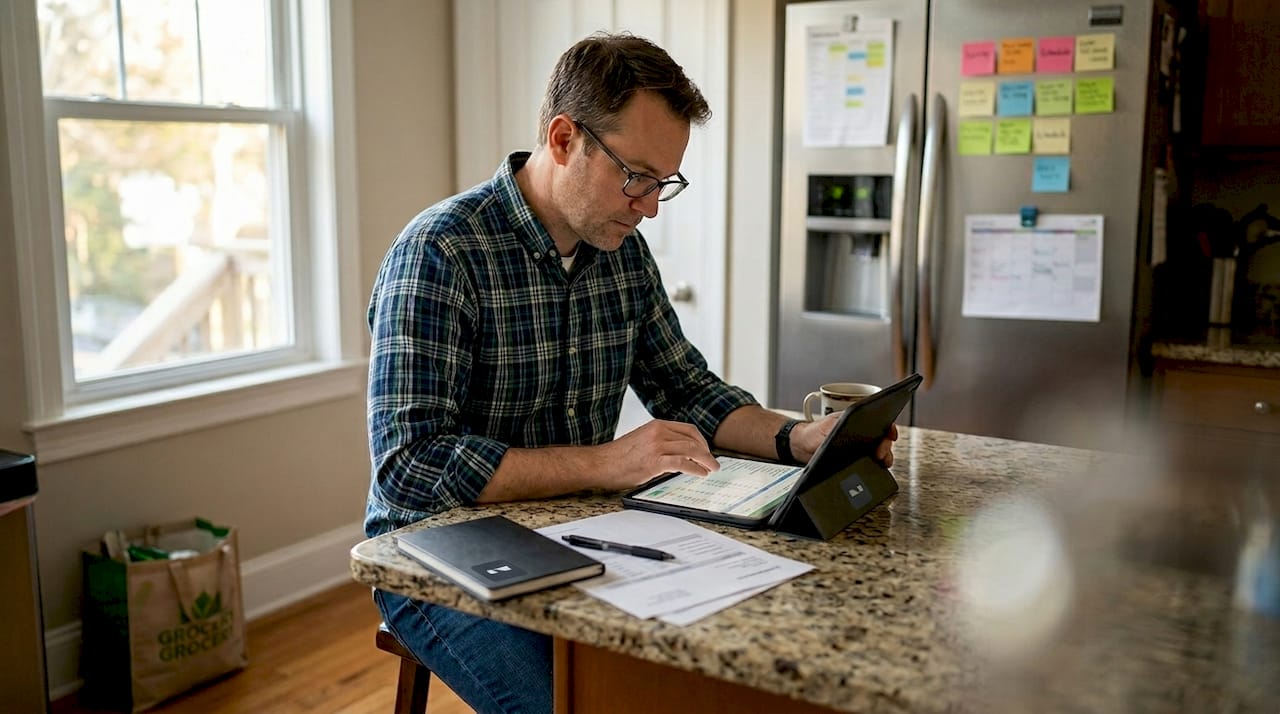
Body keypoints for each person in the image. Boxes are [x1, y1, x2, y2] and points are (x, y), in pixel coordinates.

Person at [365, 32, 897, 714]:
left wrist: (800, 439)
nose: (648, 205)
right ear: (564, 140)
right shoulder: (439, 254)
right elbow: (411, 468)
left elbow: (686, 390)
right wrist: (606, 464)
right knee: (591, 703)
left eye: (663, 183)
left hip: (580, 532)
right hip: (437, 554)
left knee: (710, 678)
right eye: (636, 175)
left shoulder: (619, 250)